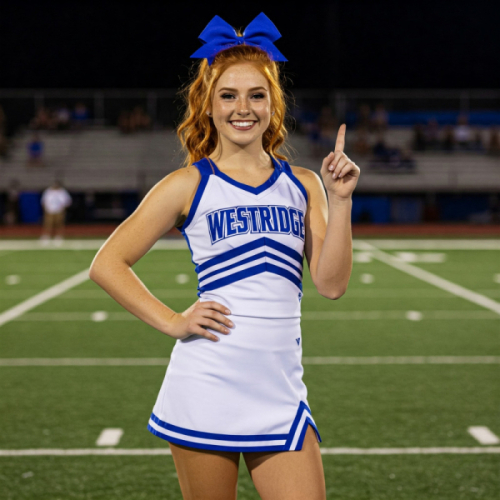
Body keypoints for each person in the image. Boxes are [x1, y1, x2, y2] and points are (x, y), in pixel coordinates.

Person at [89, 13, 360, 500]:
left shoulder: (304, 184)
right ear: (207, 105)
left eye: (257, 95)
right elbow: (107, 263)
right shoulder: (189, 184)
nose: (243, 108)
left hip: (280, 390)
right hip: (206, 383)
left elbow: (332, 285)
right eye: (228, 96)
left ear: (272, 105)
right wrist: (173, 320)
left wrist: (340, 202)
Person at [40, 180, 72, 245]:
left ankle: (58, 236)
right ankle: (47, 236)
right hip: (50, 211)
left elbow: (68, 201)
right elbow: (43, 201)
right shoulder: (48, 191)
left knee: (59, 224)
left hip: (59, 211)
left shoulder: (62, 192)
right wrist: (46, 209)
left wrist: (63, 208)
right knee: (48, 224)